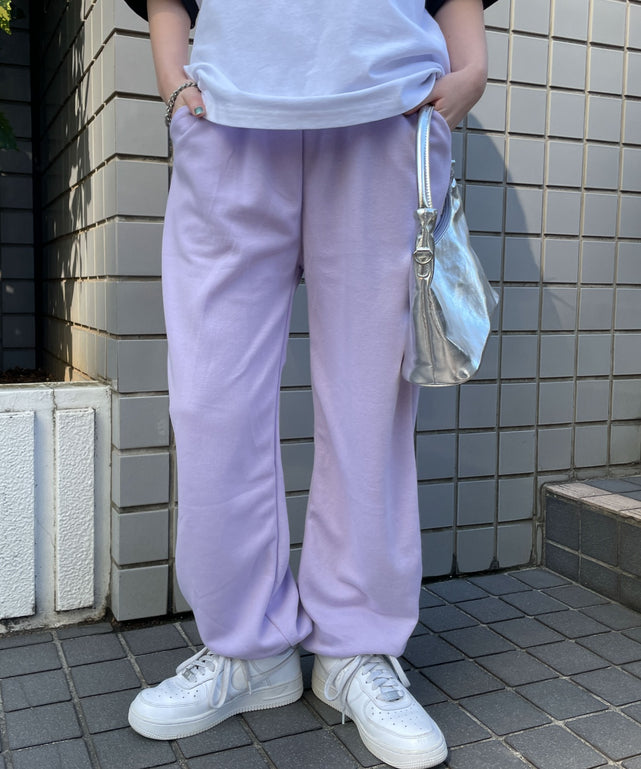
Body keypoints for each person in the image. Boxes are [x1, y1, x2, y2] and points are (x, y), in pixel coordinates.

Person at [122, 1, 496, 766]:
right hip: (227, 113)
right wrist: (173, 82)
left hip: (384, 110)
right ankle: (246, 647)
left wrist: (471, 68)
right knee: (211, 402)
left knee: (370, 404)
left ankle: (355, 645)